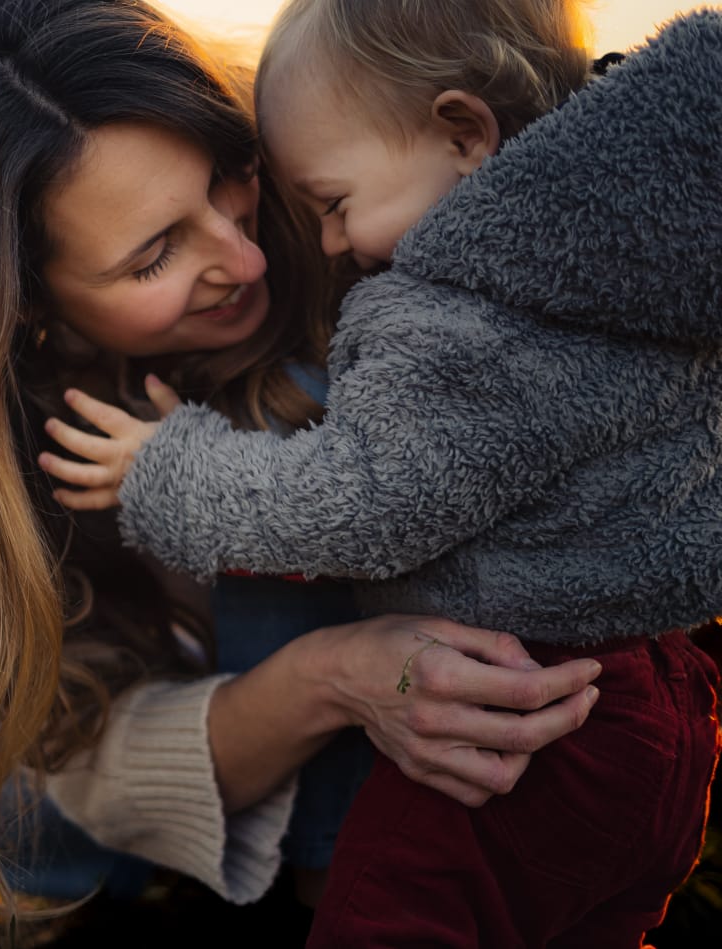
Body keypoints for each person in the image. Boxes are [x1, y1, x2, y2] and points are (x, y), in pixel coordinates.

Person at [0, 2, 606, 947]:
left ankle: (324, 862)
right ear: (24, 307)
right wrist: (330, 677)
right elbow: (74, 740)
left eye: (229, 183)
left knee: (296, 414)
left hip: (448, 706)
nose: (246, 255)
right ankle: (202, 843)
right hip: (242, 727)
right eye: (154, 256)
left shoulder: (349, 171)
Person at [40, 1, 722, 944]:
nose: (260, 250)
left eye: (249, 190)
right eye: (155, 253)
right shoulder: (621, 261)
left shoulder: (454, 317)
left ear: (462, 133)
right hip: (665, 709)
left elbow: (357, 499)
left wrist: (168, 472)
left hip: (530, 705)